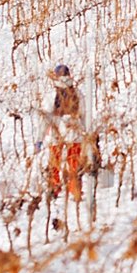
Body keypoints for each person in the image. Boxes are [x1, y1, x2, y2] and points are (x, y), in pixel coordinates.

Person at [40, 64, 88, 200]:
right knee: (74, 163)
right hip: (75, 131)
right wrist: (86, 132)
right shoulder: (78, 93)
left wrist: (40, 138)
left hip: (57, 132)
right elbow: (84, 114)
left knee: (54, 162)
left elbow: (45, 118)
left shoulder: (51, 94)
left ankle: (55, 188)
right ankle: (75, 190)